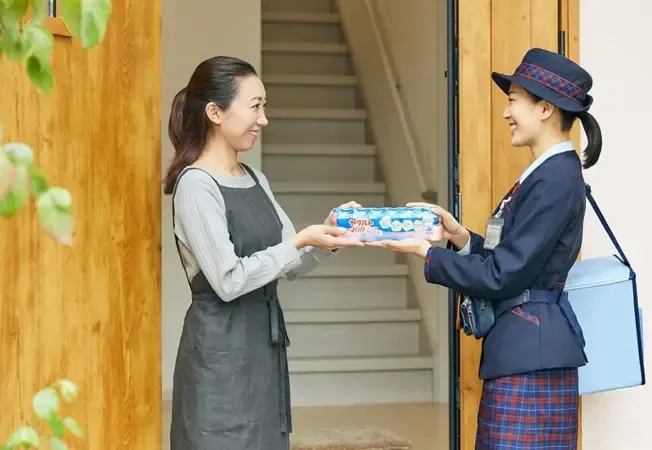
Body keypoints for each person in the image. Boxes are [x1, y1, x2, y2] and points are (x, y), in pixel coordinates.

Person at [369, 48, 602, 449]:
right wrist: (459, 236)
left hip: (531, 359)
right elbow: (511, 259)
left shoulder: (554, 178)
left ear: (545, 108)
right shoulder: (547, 173)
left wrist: (427, 254)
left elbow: (503, 274)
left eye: (513, 101)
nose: (506, 113)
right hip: (527, 354)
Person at [163, 55, 364, 450]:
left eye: (264, 107)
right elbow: (228, 280)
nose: (263, 119)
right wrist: (299, 241)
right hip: (218, 354)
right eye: (255, 106)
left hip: (262, 349)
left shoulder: (256, 178)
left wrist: (327, 239)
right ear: (215, 112)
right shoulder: (196, 185)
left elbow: (289, 264)